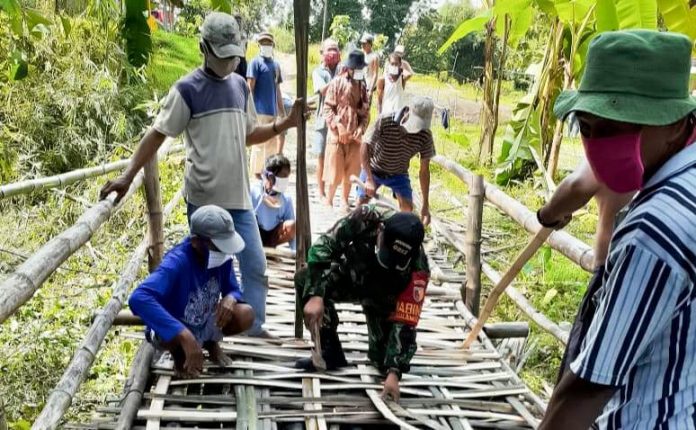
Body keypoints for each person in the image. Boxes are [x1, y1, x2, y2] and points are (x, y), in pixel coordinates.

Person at [100, 12, 306, 338]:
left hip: (238, 198)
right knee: (208, 274)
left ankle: (254, 327)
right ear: (203, 48)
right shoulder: (187, 90)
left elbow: (249, 133)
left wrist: (285, 124)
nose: (228, 63)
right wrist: (128, 176)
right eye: (222, 56)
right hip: (205, 202)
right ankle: (205, 335)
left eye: (232, 56)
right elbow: (157, 134)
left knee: (255, 266)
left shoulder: (240, 86)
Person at [539, 30, 696, 429]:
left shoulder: (653, 232)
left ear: (675, 125)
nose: (597, 145)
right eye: (587, 128)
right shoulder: (684, 169)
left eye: (615, 129)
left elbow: (588, 389)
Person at [295, 205, 430, 402]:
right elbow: (324, 246)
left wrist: (394, 372)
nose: (390, 262)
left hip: (383, 299)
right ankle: (329, 349)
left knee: (382, 364)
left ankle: (383, 358)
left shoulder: (419, 269)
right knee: (304, 277)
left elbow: (407, 320)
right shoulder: (367, 217)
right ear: (380, 231)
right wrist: (316, 294)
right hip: (349, 277)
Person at [129, 205, 255, 378]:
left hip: (204, 318)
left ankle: (210, 343)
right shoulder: (177, 262)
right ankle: (179, 353)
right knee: (171, 335)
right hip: (175, 326)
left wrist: (230, 298)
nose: (223, 251)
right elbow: (138, 298)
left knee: (245, 313)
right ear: (196, 241)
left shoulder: (222, 258)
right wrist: (184, 334)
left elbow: (233, 289)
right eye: (218, 246)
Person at [537, 160, 635, 381]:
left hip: (612, 275)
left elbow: (576, 186)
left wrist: (547, 214)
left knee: (588, 368)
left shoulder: (619, 146)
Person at [358, 96, 435, 225]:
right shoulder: (385, 121)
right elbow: (365, 145)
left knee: (407, 211)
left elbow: (424, 171)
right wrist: (369, 179)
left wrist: (425, 205)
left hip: (399, 173)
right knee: (360, 206)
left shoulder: (425, 135)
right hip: (374, 168)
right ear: (408, 111)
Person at [322, 50, 369, 211]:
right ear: (350, 68)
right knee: (334, 171)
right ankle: (329, 200)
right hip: (337, 135)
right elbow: (327, 108)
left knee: (351, 172)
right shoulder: (337, 83)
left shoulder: (363, 87)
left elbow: (365, 113)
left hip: (354, 137)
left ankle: (344, 200)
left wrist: (361, 129)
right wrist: (338, 126)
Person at [248, 32, 285, 177]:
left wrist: (282, 111)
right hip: (259, 111)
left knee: (270, 143)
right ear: (259, 45)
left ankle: (266, 171)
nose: (266, 46)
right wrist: (248, 109)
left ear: (273, 46)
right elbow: (249, 87)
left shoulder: (275, 66)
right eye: (263, 43)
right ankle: (256, 173)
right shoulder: (255, 63)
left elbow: (278, 90)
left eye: (269, 43)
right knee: (258, 143)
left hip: (272, 111)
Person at [311, 38, 341, 200]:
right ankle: (321, 191)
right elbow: (322, 90)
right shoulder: (318, 72)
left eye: (335, 49)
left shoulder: (344, 68)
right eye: (329, 49)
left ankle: (332, 193)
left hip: (339, 121)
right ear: (322, 52)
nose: (332, 53)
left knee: (335, 158)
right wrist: (337, 80)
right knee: (321, 156)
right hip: (323, 120)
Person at [251, 154, 296, 249]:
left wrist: (295, 252)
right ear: (269, 176)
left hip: (272, 237)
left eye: (286, 177)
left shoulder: (286, 199)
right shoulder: (253, 192)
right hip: (253, 234)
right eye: (281, 176)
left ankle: (269, 248)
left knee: (293, 225)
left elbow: (292, 228)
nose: (284, 179)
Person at [360, 33, 379, 102]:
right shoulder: (361, 54)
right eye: (362, 43)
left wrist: (370, 90)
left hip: (368, 85)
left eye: (365, 43)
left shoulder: (374, 57)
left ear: (370, 44)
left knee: (366, 107)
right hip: (359, 83)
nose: (363, 45)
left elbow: (375, 74)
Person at [232, 13, 247, 78]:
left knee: (244, 76)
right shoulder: (231, 33)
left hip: (242, 58)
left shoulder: (244, 35)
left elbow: (246, 47)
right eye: (237, 20)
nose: (239, 22)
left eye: (240, 21)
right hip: (233, 57)